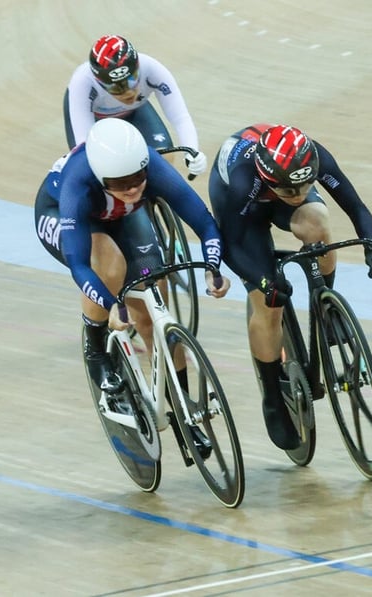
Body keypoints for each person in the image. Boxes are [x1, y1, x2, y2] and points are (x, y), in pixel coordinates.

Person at [208, 123, 372, 450]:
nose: (296, 197)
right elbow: (231, 247)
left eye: (303, 186)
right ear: (268, 180)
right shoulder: (243, 179)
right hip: (242, 210)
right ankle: (271, 397)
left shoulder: (315, 158)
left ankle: (326, 306)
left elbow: (357, 208)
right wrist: (265, 282)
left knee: (317, 223)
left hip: (276, 182)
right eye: (288, 191)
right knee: (268, 305)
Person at [33, 118, 231, 411]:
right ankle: (95, 345)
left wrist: (213, 268)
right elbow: (79, 264)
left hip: (118, 215)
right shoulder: (78, 182)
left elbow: (203, 222)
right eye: (120, 184)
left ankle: (181, 403)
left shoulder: (152, 166)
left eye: (138, 179)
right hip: (64, 215)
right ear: (101, 178)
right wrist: (109, 303)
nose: (132, 189)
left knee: (154, 310)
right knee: (110, 265)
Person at [63, 34, 207, 177]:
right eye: (116, 88)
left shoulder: (152, 68)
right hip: (96, 121)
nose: (128, 93)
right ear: (99, 83)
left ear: (138, 68)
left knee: (163, 160)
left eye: (132, 81)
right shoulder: (82, 84)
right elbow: (85, 145)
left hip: (132, 112)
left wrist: (192, 150)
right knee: (98, 172)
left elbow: (180, 117)